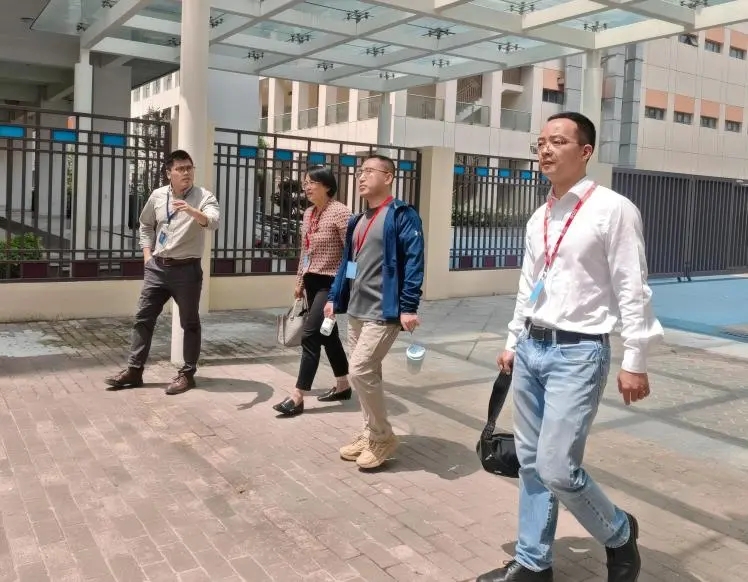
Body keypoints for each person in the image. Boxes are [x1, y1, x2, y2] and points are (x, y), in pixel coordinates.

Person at [477, 112, 663, 582]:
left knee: (558, 468)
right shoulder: (539, 216)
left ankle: (619, 532)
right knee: (531, 464)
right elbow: (529, 285)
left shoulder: (613, 209)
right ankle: (533, 563)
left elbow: (633, 288)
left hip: (579, 353)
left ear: (585, 151)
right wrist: (513, 341)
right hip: (532, 349)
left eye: (558, 141)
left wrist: (635, 360)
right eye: (540, 142)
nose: (545, 149)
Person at [324, 154, 424, 470]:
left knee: (359, 371)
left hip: (384, 311)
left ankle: (382, 437)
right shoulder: (358, 221)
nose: (361, 176)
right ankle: (370, 434)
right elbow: (348, 264)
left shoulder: (402, 215)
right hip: (357, 309)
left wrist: (409, 306)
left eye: (369, 171)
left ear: (388, 177)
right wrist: (334, 297)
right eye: (360, 171)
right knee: (368, 375)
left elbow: (414, 261)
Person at [105, 150, 220, 396]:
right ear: (169, 173)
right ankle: (134, 371)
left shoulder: (204, 196)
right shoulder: (158, 195)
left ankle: (187, 374)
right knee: (143, 318)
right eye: (180, 169)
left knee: (190, 323)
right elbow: (146, 224)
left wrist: (191, 211)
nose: (186, 173)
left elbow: (212, 222)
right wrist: (147, 255)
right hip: (157, 268)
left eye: (189, 168)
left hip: (187, 270)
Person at [273, 166, 352, 416]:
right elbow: (305, 251)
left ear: (327, 185)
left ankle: (298, 396)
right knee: (328, 335)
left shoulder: (340, 212)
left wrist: (347, 286)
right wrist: (299, 281)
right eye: (305, 183)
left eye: (312, 182)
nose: (306, 187)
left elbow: (353, 254)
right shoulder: (309, 213)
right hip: (311, 282)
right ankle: (343, 385)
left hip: (331, 283)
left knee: (310, 335)